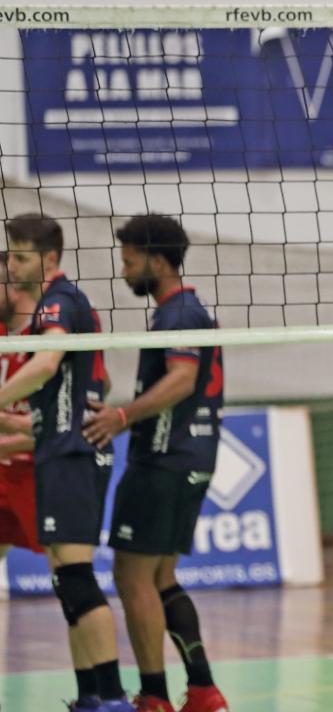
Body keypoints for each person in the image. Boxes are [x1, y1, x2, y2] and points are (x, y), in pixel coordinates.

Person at [83, 215, 229, 712]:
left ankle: (153, 696)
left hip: (164, 460)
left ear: (157, 260)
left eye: (129, 261)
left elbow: (182, 379)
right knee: (161, 577)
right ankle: (204, 690)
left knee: (132, 576)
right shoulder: (183, 312)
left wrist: (122, 415)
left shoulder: (179, 312)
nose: (124, 271)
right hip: (189, 459)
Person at [0, 214, 133, 711]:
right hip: (57, 450)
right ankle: (90, 697)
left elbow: (46, 365)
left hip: (75, 456)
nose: (11, 265)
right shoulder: (47, 311)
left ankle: (114, 698)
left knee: (77, 578)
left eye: (19, 256)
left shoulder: (61, 300)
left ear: (48, 260)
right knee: (66, 582)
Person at [0, 255, 41, 561]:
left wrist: (21, 433)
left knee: (69, 573)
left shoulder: (48, 332)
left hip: (37, 467)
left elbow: (98, 390)